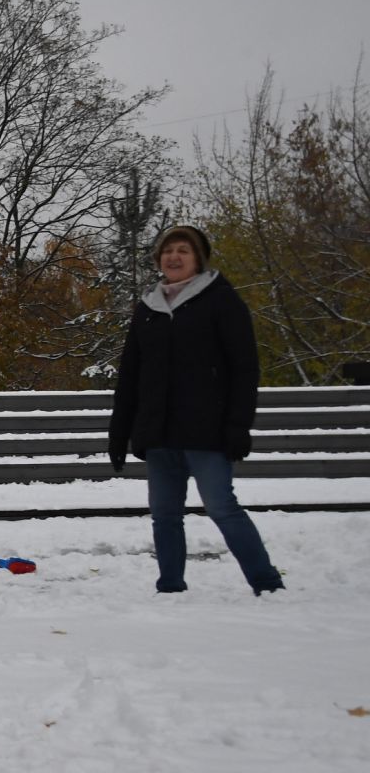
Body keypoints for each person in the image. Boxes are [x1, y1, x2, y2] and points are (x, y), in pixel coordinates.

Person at [108, 223, 284, 595]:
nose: (174, 257)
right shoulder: (148, 308)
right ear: (159, 259)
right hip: (159, 433)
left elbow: (244, 368)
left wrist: (238, 426)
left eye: (183, 251)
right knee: (165, 516)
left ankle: (266, 584)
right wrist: (120, 432)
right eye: (168, 251)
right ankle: (170, 587)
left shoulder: (221, 300)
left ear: (198, 260)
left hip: (208, 432)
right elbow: (131, 376)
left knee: (222, 508)